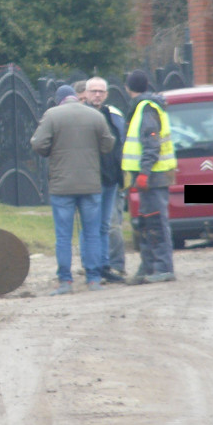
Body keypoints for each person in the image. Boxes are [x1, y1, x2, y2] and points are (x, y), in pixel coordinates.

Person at [30, 84, 115, 294]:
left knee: (63, 236)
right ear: (77, 98)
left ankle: (65, 281)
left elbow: (38, 144)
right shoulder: (94, 116)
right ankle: (94, 279)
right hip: (91, 183)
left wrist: (52, 151)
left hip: (62, 185)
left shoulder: (52, 116)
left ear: (59, 100)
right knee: (93, 233)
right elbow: (108, 145)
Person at [121, 69, 178, 284]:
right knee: (145, 222)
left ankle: (163, 268)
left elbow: (151, 145)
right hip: (150, 177)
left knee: (156, 221)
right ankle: (148, 267)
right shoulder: (145, 107)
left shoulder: (145, 109)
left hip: (153, 177)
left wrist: (144, 173)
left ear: (127, 88)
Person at [85, 77, 127, 283]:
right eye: (93, 91)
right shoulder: (82, 116)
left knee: (105, 225)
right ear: (86, 93)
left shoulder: (113, 115)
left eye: (101, 91)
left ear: (107, 94)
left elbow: (120, 144)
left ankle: (105, 265)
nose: (97, 94)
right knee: (90, 225)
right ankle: (91, 267)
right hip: (90, 179)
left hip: (111, 178)